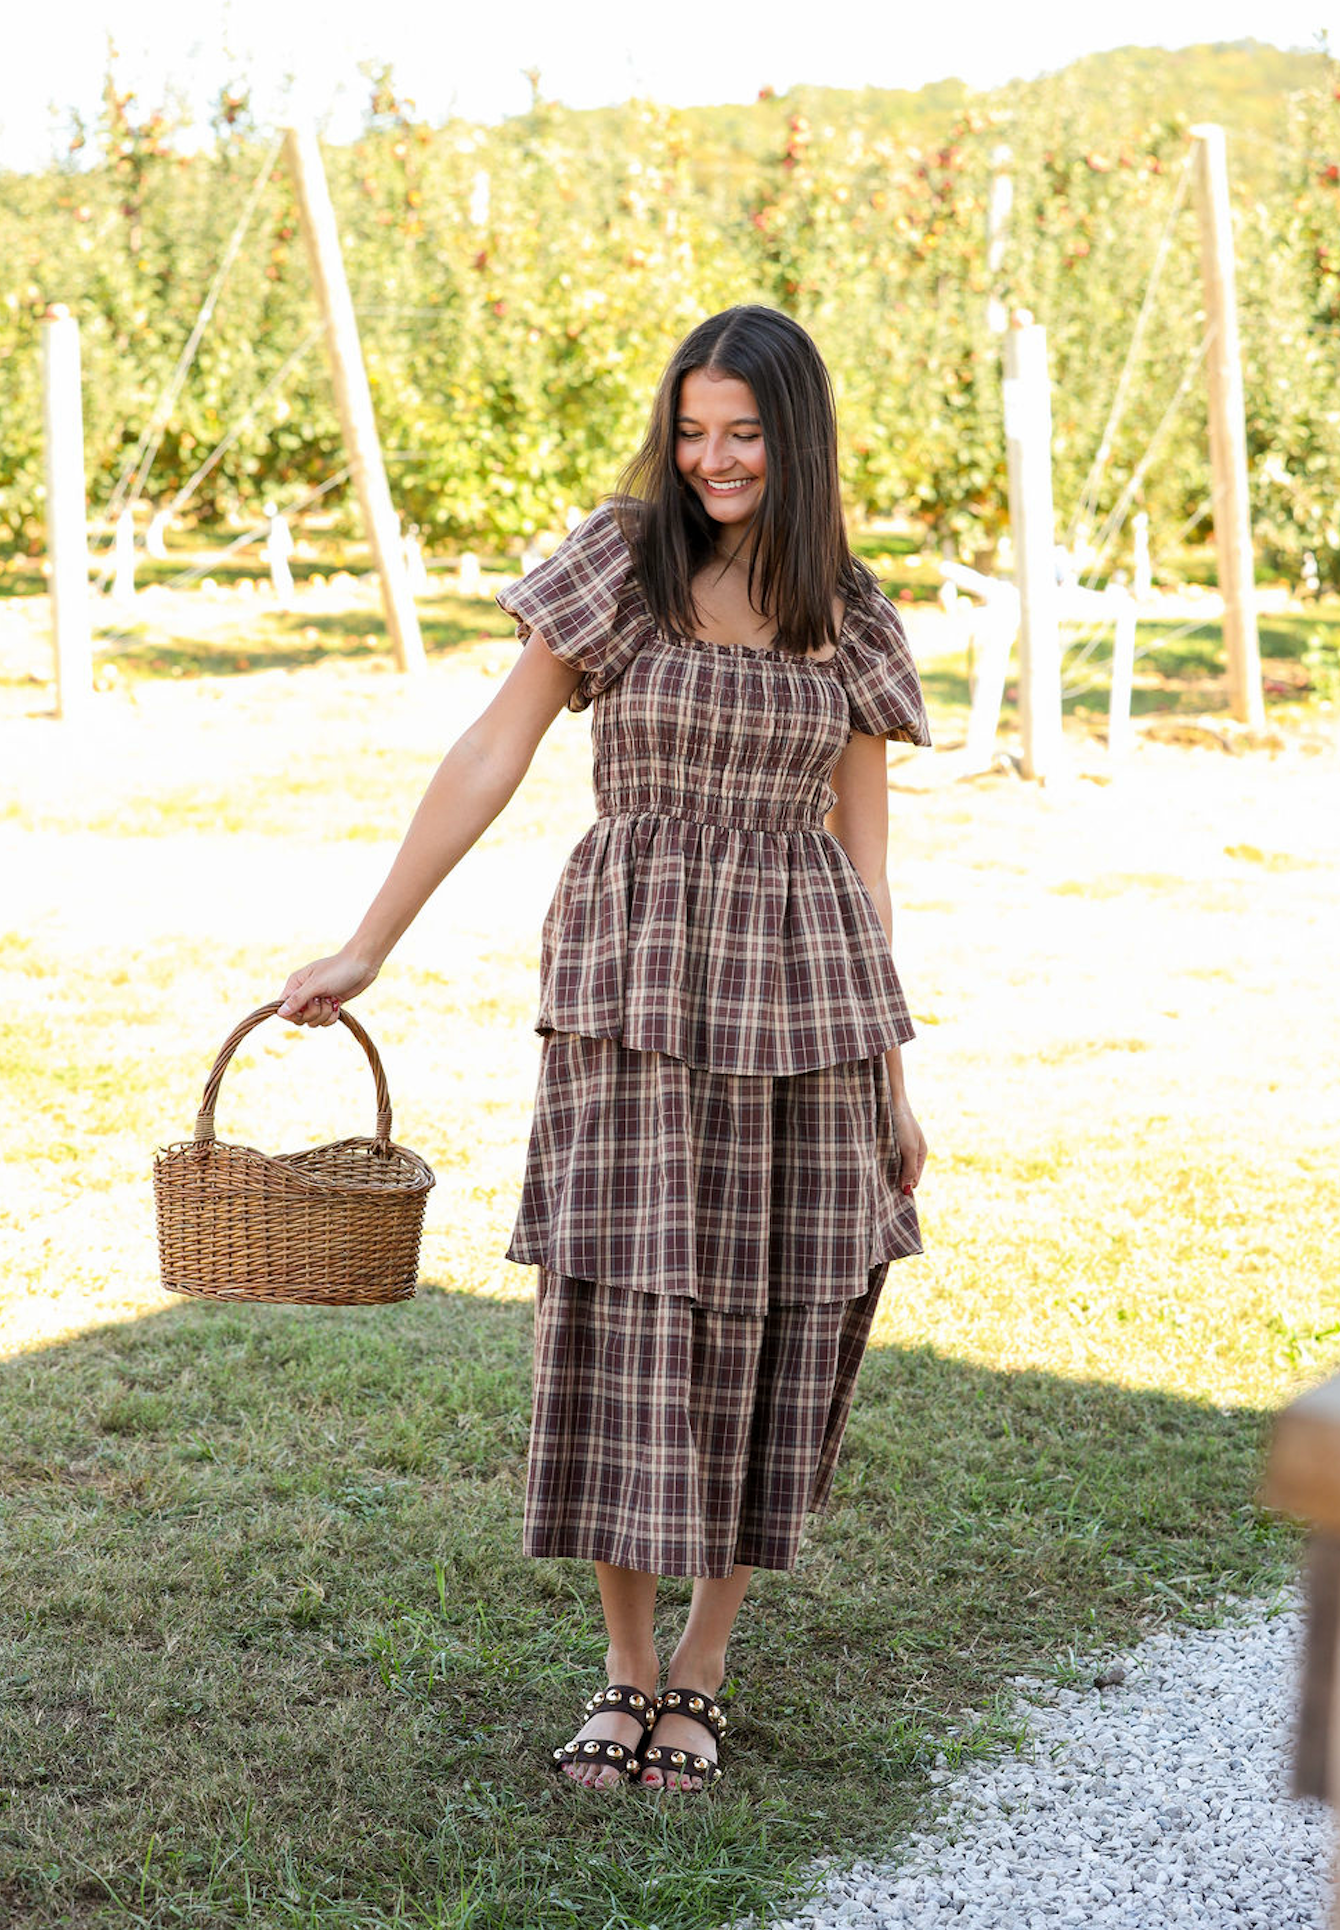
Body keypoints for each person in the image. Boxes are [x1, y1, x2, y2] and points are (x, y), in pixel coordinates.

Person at [277, 304, 931, 1795]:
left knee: (774, 1315)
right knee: (619, 1314)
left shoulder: (851, 613)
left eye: (744, 433)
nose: (714, 460)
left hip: (808, 1007)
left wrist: (895, 1077)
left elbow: (868, 860)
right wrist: (372, 940)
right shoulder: (621, 562)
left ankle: (704, 1665)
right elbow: (491, 751)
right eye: (692, 431)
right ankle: (626, 1671)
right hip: (632, 993)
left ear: (799, 438)